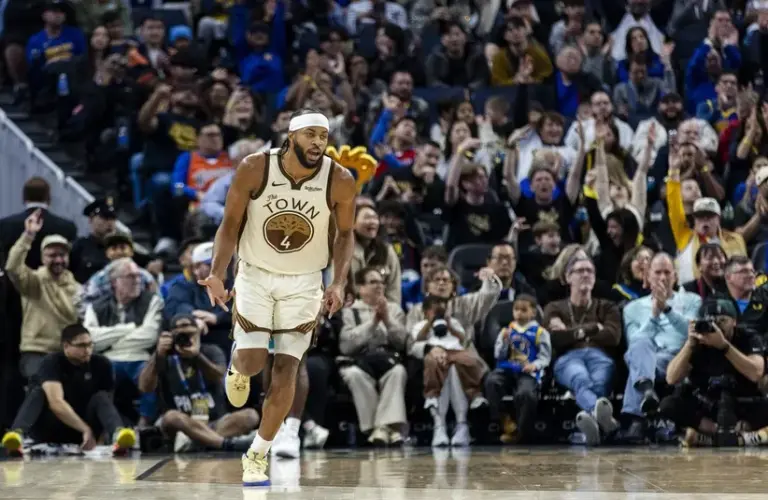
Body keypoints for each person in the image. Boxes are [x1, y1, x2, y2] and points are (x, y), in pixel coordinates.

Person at [198, 109, 356, 486]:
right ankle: (239, 366)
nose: (319, 142)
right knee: (254, 364)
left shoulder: (340, 178)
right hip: (255, 273)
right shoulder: (255, 168)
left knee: (287, 368)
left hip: (304, 281)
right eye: (311, 135)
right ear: (291, 136)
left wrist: (338, 282)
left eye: (324, 136)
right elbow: (230, 224)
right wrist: (217, 273)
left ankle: (257, 454)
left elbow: (345, 234)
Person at [1, 324, 135, 456]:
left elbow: (108, 404)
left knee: (101, 397)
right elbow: (56, 403)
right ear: (66, 346)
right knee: (39, 392)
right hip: (52, 425)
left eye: (90, 344)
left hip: (84, 430)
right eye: (81, 346)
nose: (87, 350)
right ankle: (16, 435)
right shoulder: (52, 362)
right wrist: (85, 428)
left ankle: (118, 435)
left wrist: (98, 438)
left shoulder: (102, 364)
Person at [138, 314, 259, 453]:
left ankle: (195, 443)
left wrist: (197, 356)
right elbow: (144, 387)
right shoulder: (164, 356)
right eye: (177, 331)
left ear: (198, 331)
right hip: (181, 426)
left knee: (251, 415)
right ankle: (223, 444)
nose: (182, 335)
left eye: (187, 330)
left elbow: (219, 377)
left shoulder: (211, 351)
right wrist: (157, 355)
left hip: (216, 423)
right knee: (171, 417)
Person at [662, 299, 768, 447]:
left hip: (744, 404)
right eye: (710, 321)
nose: (716, 326)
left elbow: (756, 372)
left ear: (734, 322)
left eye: (722, 320)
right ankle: (718, 435)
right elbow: (671, 378)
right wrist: (689, 345)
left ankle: (741, 436)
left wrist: (724, 346)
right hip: (708, 407)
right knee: (669, 405)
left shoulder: (748, 337)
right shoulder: (699, 341)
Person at [5, 209, 81, 379]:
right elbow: (12, 267)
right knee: (43, 386)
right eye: (52, 255)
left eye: (62, 255)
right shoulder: (33, 282)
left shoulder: (77, 288)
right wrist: (29, 234)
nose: (58, 260)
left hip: (68, 353)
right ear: (43, 258)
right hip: (36, 353)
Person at [485, 294, 551, 444]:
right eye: (516, 310)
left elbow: (545, 357)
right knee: (491, 382)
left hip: (528, 370)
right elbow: (498, 354)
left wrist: (535, 365)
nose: (519, 313)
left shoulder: (540, 332)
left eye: (524, 310)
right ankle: (505, 420)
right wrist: (504, 342)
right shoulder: (506, 331)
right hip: (507, 368)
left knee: (526, 394)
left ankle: (522, 432)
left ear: (533, 312)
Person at [0, 177, 77, 270]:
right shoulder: (67, 227)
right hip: (53, 282)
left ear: (24, 197)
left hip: (13, 282)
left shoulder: (5, 225)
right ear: (49, 198)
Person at [69, 198, 118, 284]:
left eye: (113, 218)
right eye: (105, 218)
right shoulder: (80, 246)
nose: (110, 223)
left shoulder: (121, 248)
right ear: (91, 220)